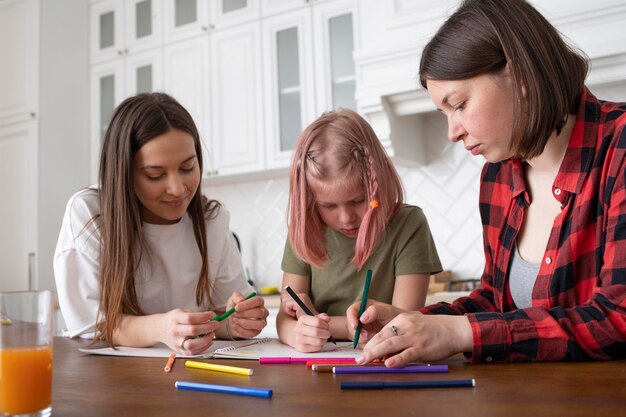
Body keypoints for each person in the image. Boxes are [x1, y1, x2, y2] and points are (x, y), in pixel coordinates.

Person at [346, 0, 626, 365]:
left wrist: (461, 332)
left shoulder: (618, 147)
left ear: (520, 76)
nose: (452, 132)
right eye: (443, 113)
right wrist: (412, 322)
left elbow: (619, 318)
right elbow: (497, 301)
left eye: (459, 104)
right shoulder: (497, 175)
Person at [54, 93, 268, 355]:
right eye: (155, 175)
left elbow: (226, 313)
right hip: (112, 378)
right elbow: (90, 325)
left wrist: (236, 323)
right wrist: (160, 328)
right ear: (124, 173)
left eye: (188, 167)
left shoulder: (211, 219)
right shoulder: (90, 213)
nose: (178, 189)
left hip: (193, 373)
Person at [277, 108, 442, 352]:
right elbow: (284, 319)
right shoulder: (306, 230)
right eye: (328, 205)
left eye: (358, 200)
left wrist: (320, 323)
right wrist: (296, 333)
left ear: (378, 182)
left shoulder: (408, 224)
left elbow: (403, 324)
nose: (346, 218)